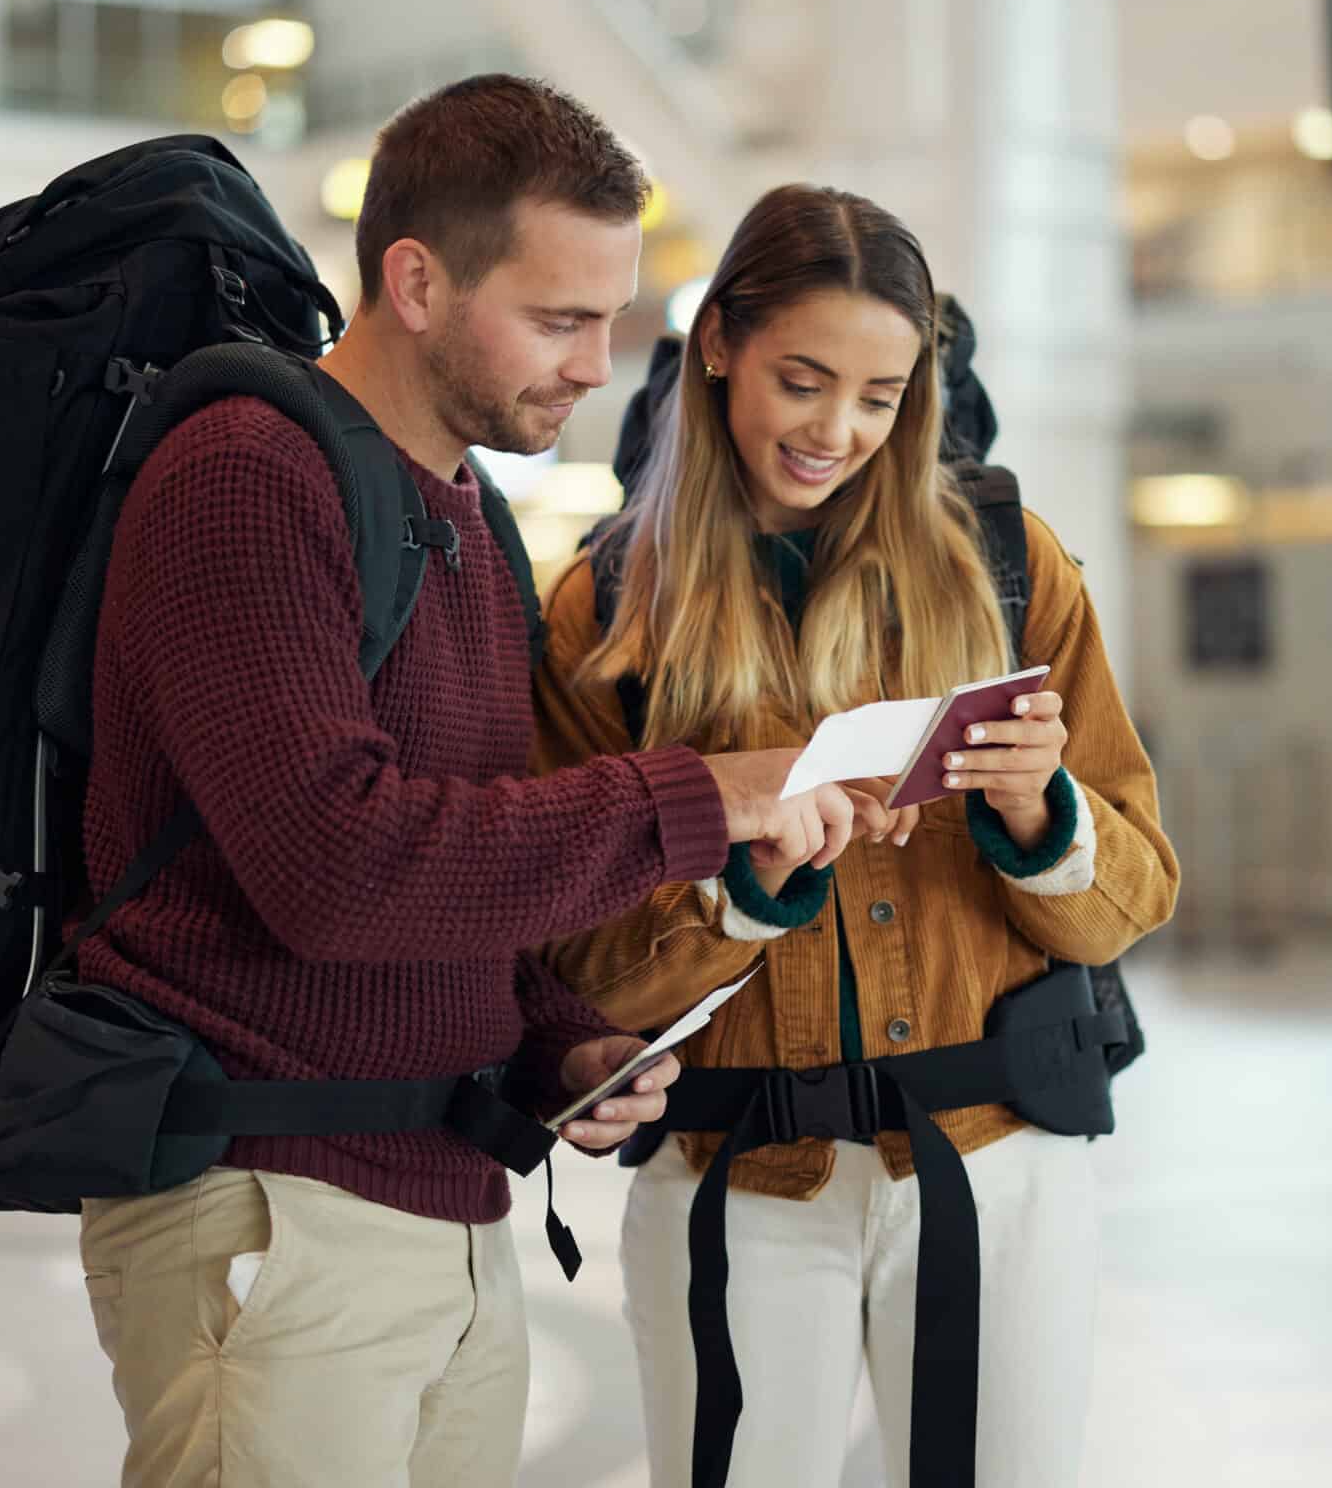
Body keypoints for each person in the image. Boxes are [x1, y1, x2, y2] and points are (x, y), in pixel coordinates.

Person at [70, 78, 858, 1488]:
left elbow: (464, 860)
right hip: (272, 1211)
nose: (594, 366)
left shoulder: (466, 518)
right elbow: (338, 867)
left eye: (609, 322)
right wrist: (698, 797)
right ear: (415, 281)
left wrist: (559, 1041)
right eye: (557, 321)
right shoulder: (246, 472)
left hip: (451, 1207)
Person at [534, 184, 1180, 1488]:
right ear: (718, 341)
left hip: (1001, 1166)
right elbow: (574, 965)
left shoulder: (1009, 565)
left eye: (880, 399)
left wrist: (1039, 814)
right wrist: (741, 896)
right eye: (803, 380)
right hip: (736, 1177)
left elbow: (1140, 889)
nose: (836, 431)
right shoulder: (610, 609)